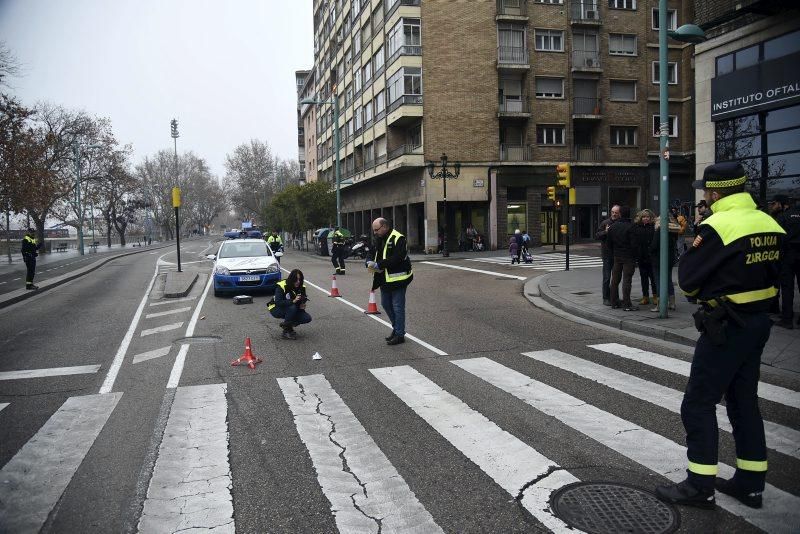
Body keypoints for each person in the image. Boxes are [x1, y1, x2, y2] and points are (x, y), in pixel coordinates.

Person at [655, 162, 785, 510]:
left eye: (707, 192)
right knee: (744, 402)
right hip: (759, 322)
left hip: (726, 323)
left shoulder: (718, 225)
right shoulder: (769, 222)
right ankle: (751, 483)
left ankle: (700, 485)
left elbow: (689, 278)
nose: (706, 197)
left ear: (715, 193)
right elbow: (781, 273)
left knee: (698, 402)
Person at [367, 218, 413, 345]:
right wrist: (369, 262)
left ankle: (399, 334)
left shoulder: (399, 238)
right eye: (374, 230)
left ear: (385, 227)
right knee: (386, 304)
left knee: (398, 307)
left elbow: (397, 258)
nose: (375, 232)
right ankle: (396, 328)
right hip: (384, 279)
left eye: (377, 230)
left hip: (398, 279)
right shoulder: (378, 238)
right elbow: (371, 252)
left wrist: (379, 265)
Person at [774, 196, 800, 329]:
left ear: (782, 204)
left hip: (788, 255)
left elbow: (778, 237)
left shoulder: (783, 217)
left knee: (787, 287)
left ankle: (787, 319)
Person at [608, 206, 638, 311]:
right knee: (627, 280)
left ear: (620, 214)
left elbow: (609, 243)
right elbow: (634, 244)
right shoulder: (631, 227)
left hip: (617, 256)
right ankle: (627, 304)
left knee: (615, 280)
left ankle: (614, 302)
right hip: (628, 257)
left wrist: (614, 252)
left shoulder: (613, 226)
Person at [267, 269, 311, 340]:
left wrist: (302, 306)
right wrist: (293, 301)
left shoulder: (302, 287)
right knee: (292, 307)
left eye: (300, 279)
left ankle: (286, 325)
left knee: (307, 318)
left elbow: (302, 300)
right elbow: (278, 302)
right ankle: (286, 331)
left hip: (291, 308)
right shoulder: (282, 285)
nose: (298, 282)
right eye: (296, 280)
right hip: (276, 308)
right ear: (291, 279)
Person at [649, 214, 680, 311]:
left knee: (658, 281)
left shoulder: (659, 230)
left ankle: (660, 304)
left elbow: (654, 246)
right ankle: (672, 303)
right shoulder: (672, 231)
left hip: (658, 260)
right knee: (668, 280)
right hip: (670, 259)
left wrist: (649, 249)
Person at [595, 205, 621, 306]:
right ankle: (606, 298)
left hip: (617, 255)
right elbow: (597, 236)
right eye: (613, 212)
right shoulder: (605, 223)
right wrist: (605, 232)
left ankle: (615, 297)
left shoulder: (620, 223)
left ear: (619, 213)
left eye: (616, 212)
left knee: (616, 278)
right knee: (607, 277)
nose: (614, 214)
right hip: (607, 255)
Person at [633, 209, 656, 305]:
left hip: (651, 257)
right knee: (644, 278)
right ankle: (645, 296)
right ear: (640, 218)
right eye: (644, 217)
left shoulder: (654, 227)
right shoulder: (637, 227)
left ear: (651, 218)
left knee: (653, 278)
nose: (646, 218)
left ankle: (655, 296)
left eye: (647, 217)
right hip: (641, 257)